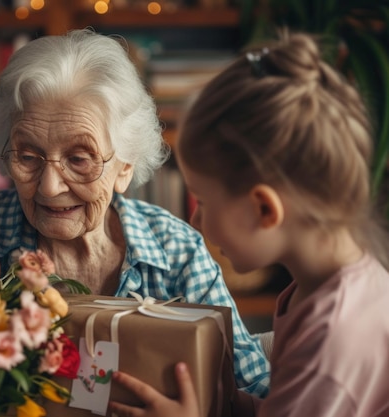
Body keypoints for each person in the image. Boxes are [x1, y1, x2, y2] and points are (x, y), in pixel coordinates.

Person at [0, 28, 270, 397]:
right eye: (28, 157)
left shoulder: (176, 251)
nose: (49, 187)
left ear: (125, 166)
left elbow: (256, 389)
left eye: (78, 159)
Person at [109, 32, 389, 417]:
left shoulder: (333, 344)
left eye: (203, 202)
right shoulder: (317, 290)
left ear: (264, 209)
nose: (194, 220)